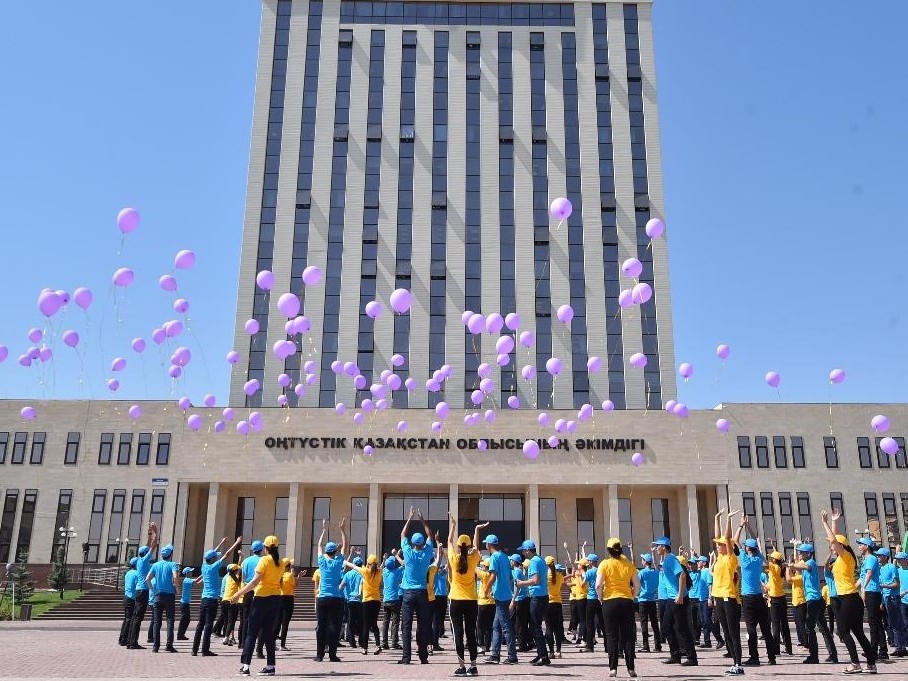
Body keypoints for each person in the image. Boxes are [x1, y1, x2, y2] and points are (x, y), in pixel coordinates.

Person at [822, 509, 876, 674]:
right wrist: (834, 522)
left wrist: (824, 522)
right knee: (858, 633)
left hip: (849, 599)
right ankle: (871, 664)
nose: (830, 546)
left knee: (843, 631)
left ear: (840, 546)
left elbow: (834, 540)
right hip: (850, 599)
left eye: (833, 545)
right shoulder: (841, 557)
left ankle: (855, 664)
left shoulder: (845, 556)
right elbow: (835, 539)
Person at [230, 535, 284, 676]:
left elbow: (254, 582)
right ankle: (271, 666)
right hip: (276, 599)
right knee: (268, 634)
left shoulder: (264, 561)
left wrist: (237, 594)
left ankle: (246, 666)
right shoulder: (281, 563)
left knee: (251, 633)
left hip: (261, 599)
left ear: (265, 548)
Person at [446, 513, 485, 676]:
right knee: (471, 633)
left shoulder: (454, 558)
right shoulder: (474, 558)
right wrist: (476, 529)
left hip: (455, 600)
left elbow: (448, 541)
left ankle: (462, 667)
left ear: (458, 546)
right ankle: (473, 666)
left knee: (458, 634)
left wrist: (453, 526)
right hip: (471, 601)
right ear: (468, 546)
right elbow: (476, 546)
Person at [596, 537, 641, 679]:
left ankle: (613, 669)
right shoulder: (629, 564)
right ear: (621, 549)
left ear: (609, 550)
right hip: (626, 601)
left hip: (610, 601)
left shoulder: (604, 564)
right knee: (628, 635)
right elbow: (637, 585)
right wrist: (632, 596)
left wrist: (600, 596)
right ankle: (631, 668)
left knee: (611, 636)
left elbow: (598, 585)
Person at [788, 543, 838, 664]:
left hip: (814, 601)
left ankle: (814, 656)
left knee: (809, 627)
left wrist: (791, 566)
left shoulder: (810, 563)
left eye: (802, 552)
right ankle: (833, 654)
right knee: (823, 628)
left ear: (809, 553)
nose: (800, 554)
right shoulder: (807, 563)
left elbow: (806, 568)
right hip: (817, 600)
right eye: (800, 552)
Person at [193, 536, 242, 657]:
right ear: (213, 559)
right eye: (215, 557)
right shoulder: (213, 567)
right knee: (208, 625)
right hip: (212, 600)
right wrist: (236, 542)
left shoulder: (204, 566)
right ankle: (205, 650)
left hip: (204, 599)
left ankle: (194, 650)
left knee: (200, 625)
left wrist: (221, 542)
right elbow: (227, 554)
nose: (217, 557)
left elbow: (213, 553)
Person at [652, 536, 697, 667]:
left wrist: (680, 595)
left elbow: (682, 575)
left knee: (682, 628)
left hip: (678, 599)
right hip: (671, 599)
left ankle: (692, 658)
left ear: (664, 547)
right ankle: (675, 655)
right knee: (666, 627)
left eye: (658, 546)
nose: (656, 548)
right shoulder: (666, 560)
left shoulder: (671, 560)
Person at [397, 506, 435, 665]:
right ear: (422, 544)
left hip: (407, 593)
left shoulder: (407, 551)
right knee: (423, 626)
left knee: (406, 627)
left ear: (412, 543)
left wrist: (410, 517)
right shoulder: (427, 553)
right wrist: (422, 519)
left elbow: (402, 533)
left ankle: (406, 657)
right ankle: (423, 657)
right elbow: (430, 535)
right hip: (422, 593)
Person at [737, 521, 777, 666]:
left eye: (746, 545)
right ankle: (772, 658)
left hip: (748, 598)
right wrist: (749, 526)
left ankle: (754, 657)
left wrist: (741, 526)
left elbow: (735, 541)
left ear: (748, 548)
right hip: (760, 598)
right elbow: (756, 541)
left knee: (751, 629)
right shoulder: (758, 558)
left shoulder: (745, 559)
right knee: (766, 629)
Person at [712, 508, 744, 676]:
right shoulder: (719, 558)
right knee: (726, 632)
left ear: (728, 547)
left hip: (729, 598)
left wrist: (728, 520)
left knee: (733, 632)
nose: (718, 546)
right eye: (717, 545)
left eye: (721, 545)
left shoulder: (731, 558)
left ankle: (739, 663)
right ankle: (734, 662)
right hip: (718, 596)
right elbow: (719, 536)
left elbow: (727, 538)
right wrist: (717, 518)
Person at [314, 516, 348, 662]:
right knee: (335, 626)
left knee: (321, 626)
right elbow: (346, 545)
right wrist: (342, 530)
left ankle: (319, 654)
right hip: (336, 598)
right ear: (336, 551)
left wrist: (324, 529)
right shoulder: (338, 561)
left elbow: (319, 545)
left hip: (322, 598)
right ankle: (332, 655)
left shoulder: (321, 561)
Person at [482, 532, 518, 665]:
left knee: (506, 627)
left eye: (486, 543)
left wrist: (486, 590)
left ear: (489, 545)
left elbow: (492, 576)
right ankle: (495, 655)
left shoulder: (494, 558)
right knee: (496, 626)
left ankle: (512, 656)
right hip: (505, 594)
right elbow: (509, 577)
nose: (485, 544)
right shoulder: (505, 557)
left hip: (501, 596)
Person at [515, 539, 550, 666]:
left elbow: (535, 580)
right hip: (542, 597)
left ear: (528, 550)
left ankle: (544, 656)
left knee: (535, 627)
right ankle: (541, 654)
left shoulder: (534, 562)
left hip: (537, 597)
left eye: (523, 551)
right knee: (535, 627)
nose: (523, 553)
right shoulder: (540, 559)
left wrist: (521, 583)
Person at [127, 521, 159, 649]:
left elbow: (147, 546)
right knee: (138, 618)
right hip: (143, 591)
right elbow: (153, 545)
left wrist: (149, 533)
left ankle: (130, 641)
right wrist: (156, 531)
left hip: (138, 591)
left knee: (135, 617)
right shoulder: (145, 560)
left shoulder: (140, 560)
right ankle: (132, 642)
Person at [857, 536, 888, 662]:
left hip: (872, 592)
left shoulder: (870, 558)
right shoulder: (867, 559)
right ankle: (883, 651)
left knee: (873, 622)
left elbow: (869, 574)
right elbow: (863, 576)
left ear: (867, 547)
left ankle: (873, 650)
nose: (859, 547)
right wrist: (854, 588)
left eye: (861, 544)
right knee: (876, 622)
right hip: (871, 592)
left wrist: (863, 589)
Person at [148, 543, 180, 653]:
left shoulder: (155, 565)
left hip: (158, 596)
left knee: (157, 622)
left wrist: (153, 590)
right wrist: (177, 589)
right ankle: (169, 645)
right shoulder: (173, 564)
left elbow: (147, 579)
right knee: (170, 620)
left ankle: (155, 647)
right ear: (170, 554)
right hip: (169, 595)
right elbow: (175, 577)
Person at [879, 548, 907, 657]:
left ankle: (900, 648)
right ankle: (900, 646)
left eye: (881, 555)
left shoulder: (891, 567)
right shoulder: (882, 568)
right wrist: (881, 601)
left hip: (893, 598)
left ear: (886, 557)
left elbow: (897, 584)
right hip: (887, 599)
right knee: (892, 623)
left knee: (896, 623)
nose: (878, 557)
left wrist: (883, 586)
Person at [238, 540, 265, 649]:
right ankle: (259, 648)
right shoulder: (263, 560)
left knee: (245, 619)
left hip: (247, 591)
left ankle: (244, 643)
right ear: (262, 549)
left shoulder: (245, 561)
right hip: (259, 591)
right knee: (261, 620)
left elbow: (243, 578)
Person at [276, 559, 302, 652]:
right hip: (288, 599)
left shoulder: (279, 575)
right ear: (288, 566)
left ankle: (272, 643)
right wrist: (298, 577)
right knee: (285, 623)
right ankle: (282, 645)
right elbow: (295, 586)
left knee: (277, 622)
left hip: (279, 598)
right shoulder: (289, 575)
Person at [543, 556, 565, 660]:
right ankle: (558, 651)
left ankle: (551, 651)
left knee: (549, 628)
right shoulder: (559, 576)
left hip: (548, 603)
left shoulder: (545, 575)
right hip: (558, 603)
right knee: (557, 628)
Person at [341, 555, 365, 649]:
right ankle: (361, 641)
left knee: (350, 621)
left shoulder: (348, 574)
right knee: (360, 622)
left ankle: (351, 641)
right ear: (361, 564)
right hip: (360, 600)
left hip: (349, 600)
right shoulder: (362, 574)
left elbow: (342, 585)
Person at [382, 554, 403, 650]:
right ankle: (394, 642)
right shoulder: (396, 572)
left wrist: (385, 559)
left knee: (385, 622)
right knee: (395, 622)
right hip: (395, 599)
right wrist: (397, 555)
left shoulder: (384, 572)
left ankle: (384, 642)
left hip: (386, 600)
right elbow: (404, 565)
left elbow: (385, 565)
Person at [510, 554, 530, 652]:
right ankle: (525, 642)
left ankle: (523, 645)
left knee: (519, 623)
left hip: (520, 599)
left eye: (511, 560)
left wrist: (513, 600)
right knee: (520, 622)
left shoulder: (517, 572)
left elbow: (517, 586)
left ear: (514, 562)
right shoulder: (518, 571)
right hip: (522, 599)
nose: (510, 562)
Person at [432, 546, 450, 652]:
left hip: (443, 598)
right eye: (440, 567)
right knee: (436, 621)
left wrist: (445, 554)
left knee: (440, 621)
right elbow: (437, 563)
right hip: (437, 597)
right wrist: (439, 552)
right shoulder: (435, 574)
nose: (442, 568)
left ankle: (435, 642)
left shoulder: (444, 574)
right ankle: (434, 643)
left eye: (442, 567)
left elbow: (448, 564)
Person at [119, 557, 139, 646]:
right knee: (130, 619)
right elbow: (138, 587)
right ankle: (125, 639)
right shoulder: (137, 574)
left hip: (126, 597)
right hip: (132, 598)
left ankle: (122, 638)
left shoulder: (128, 573)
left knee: (126, 618)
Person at [476, 559, 495, 655]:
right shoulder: (493, 575)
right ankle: (488, 646)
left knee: (479, 626)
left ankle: (481, 646)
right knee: (488, 626)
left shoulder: (484, 574)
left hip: (482, 602)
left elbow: (474, 569)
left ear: (485, 567)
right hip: (492, 602)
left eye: (483, 565)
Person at [222, 563, 243, 646]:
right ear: (236, 571)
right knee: (231, 621)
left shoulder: (228, 577)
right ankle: (226, 638)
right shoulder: (237, 579)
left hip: (224, 601)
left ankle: (228, 637)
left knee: (227, 621)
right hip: (231, 602)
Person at [178, 566, 200, 641]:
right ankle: (180, 635)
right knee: (184, 619)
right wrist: (204, 574)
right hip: (184, 603)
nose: (192, 572)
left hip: (185, 603)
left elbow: (197, 583)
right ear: (187, 573)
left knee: (186, 619)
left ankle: (181, 634)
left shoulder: (188, 580)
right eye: (191, 571)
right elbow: (196, 580)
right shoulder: (187, 580)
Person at [896, 552, 908, 650]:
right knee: (904, 623)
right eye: (898, 559)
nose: (899, 561)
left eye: (900, 559)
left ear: (906, 560)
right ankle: (906, 643)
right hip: (902, 601)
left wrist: (905, 591)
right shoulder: (898, 571)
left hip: (905, 596)